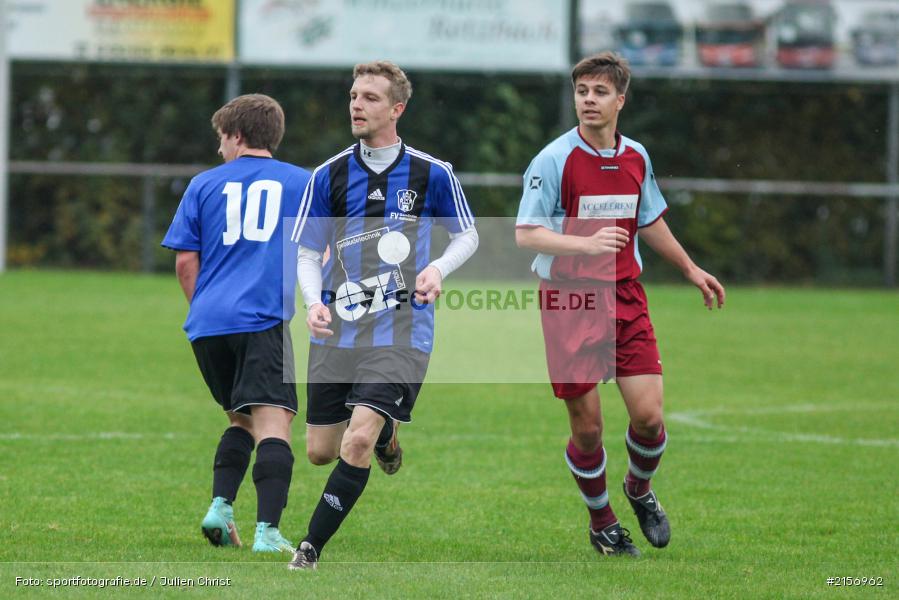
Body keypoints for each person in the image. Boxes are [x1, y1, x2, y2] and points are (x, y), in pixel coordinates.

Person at [515, 52, 725, 557]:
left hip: (626, 295)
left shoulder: (636, 157)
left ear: (620, 101)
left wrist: (690, 268)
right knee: (588, 430)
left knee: (649, 418)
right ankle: (602, 522)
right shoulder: (553, 160)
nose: (589, 100)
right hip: (568, 301)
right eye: (582, 91)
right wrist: (585, 244)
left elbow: (648, 218)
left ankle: (639, 489)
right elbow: (526, 233)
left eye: (600, 92)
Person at [287, 60, 478, 570]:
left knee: (357, 440)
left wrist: (437, 268)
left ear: (397, 109)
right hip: (339, 330)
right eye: (354, 95)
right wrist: (314, 302)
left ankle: (310, 548)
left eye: (370, 97)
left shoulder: (432, 173)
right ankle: (389, 432)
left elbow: (467, 234)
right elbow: (307, 252)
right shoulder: (328, 175)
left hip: (402, 330)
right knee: (320, 450)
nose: (357, 104)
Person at [161, 94, 311, 553]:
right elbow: (321, 251)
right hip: (261, 320)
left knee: (240, 419)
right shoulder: (302, 182)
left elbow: (185, 262)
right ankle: (268, 532)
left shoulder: (202, 184)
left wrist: (205, 308)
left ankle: (221, 509)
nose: (219, 148)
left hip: (207, 324)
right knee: (275, 423)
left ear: (238, 136)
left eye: (221, 138)